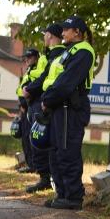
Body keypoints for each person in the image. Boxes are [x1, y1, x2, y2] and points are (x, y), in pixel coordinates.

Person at [39, 16, 96, 210]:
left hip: (70, 107)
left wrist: (47, 100)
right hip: (60, 106)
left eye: (66, 29)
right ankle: (62, 194)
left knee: (67, 152)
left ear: (77, 32)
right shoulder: (70, 50)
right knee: (56, 151)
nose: (62, 33)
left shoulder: (83, 51)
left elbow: (66, 82)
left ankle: (73, 197)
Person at [22, 24, 66, 193]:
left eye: (45, 34)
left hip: (44, 101)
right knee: (39, 140)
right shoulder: (51, 54)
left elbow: (45, 77)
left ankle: (46, 179)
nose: (43, 37)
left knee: (40, 140)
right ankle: (46, 178)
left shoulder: (57, 54)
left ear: (49, 35)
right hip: (41, 100)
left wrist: (29, 89)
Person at [16, 47, 42, 171]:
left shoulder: (37, 70)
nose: (27, 60)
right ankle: (29, 164)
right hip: (24, 107)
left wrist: (24, 104)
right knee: (25, 138)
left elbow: (32, 89)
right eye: (25, 58)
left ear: (36, 58)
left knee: (31, 137)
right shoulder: (29, 71)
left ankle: (34, 165)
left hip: (30, 106)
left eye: (29, 57)